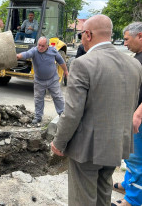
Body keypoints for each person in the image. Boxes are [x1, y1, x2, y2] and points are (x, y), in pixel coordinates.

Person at [50, 15, 142, 206]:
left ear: (89, 35)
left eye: (82, 34)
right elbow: (130, 103)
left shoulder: (83, 64)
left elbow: (73, 112)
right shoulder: (134, 64)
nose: (82, 38)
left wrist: (59, 142)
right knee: (103, 194)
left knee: (82, 199)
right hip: (117, 144)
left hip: (87, 149)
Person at [112, 22, 142, 206]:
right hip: (133, 113)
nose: (124, 44)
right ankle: (128, 183)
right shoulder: (139, 56)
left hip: (139, 118)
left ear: (140, 36)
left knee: (136, 157)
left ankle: (133, 199)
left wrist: (138, 114)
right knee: (130, 154)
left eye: (127, 39)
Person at [16, 36, 68, 124]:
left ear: (47, 46)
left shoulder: (53, 51)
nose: (40, 47)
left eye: (42, 46)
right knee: (38, 99)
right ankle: (38, 117)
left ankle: (62, 114)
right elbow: (26, 54)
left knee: (58, 97)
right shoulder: (34, 51)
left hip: (52, 79)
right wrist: (18, 56)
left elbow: (61, 61)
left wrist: (66, 71)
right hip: (39, 80)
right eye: (39, 45)